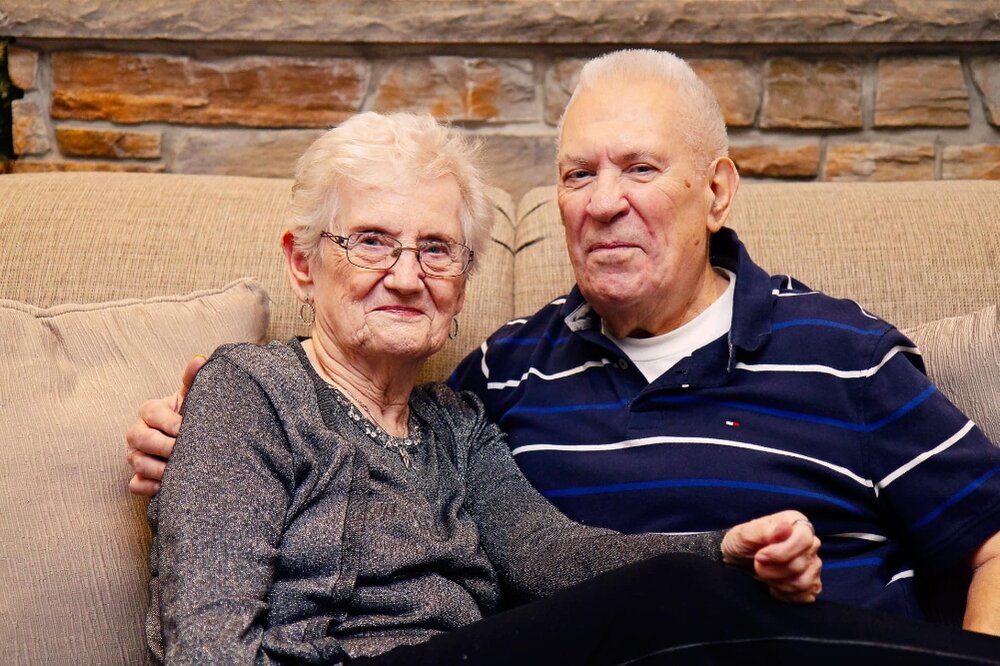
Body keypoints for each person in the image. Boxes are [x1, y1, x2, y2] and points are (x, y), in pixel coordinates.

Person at [128, 51, 1000, 636]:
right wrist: (204, 436)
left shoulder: (844, 352)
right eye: (580, 174)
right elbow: (332, 410)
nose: (604, 202)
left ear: (716, 192)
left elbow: (549, 553)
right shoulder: (508, 373)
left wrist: (722, 553)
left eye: (641, 168)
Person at [143, 111, 841, 663]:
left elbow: (552, 555)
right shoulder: (250, 393)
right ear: (303, 264)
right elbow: (205, 640)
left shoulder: (458, 426)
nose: (407, 277)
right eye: (372, 241)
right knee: (671, 598)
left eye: (436, 249)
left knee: (681, 601)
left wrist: (720, 549)